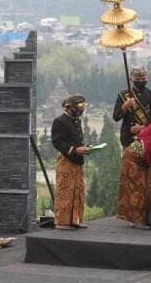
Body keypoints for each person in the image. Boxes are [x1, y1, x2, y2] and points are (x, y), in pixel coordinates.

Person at [51, 94, 90, 230]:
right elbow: (57, 142)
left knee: (78, 189)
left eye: (84, 106)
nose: (82, 109)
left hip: (77, 161)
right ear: (70, 107)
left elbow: (76, 139)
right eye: (80, 106)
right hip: (66, 159)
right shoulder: (60, 121)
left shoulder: (77, 121)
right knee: (65, 190)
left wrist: (84, 148)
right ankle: (62, 222)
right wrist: (74, 150)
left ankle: (75, 219)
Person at [113, 66, 151, 149]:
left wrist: (143, 127)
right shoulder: (124, 95)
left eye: (143, 79)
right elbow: (116, 117)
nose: (140, 81)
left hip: (148, 139)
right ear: (131, 79)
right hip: (128, 140)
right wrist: (125, 106)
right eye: (138, 79)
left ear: (147, 78)